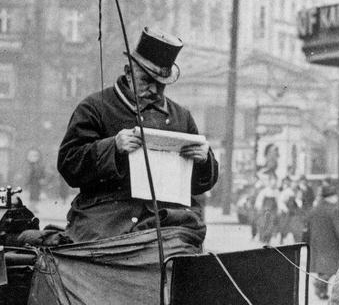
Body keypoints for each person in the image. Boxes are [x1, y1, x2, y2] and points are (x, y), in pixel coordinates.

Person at [57, 27, 218, 245]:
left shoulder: (182, 117)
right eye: (146, 81)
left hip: (168, 218)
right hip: (107, 218)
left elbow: (199, 185)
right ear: (128, 72)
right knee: (98, 258)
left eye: (161, 85)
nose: (154, 90)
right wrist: (112, 147)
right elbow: (68, 164)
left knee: (187, 263)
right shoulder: (95, 107)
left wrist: (204, 160)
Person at [304, 182, 339, 300]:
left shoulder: (315, 209)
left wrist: (306, 241)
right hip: (330, 243)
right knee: (331, 269)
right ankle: (319, 284)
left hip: (316, 243)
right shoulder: (334, 210)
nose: (337, 198)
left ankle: (322, 292)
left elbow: (307, 225)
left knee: (321, 268)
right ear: (330, 197)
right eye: (335, 196)